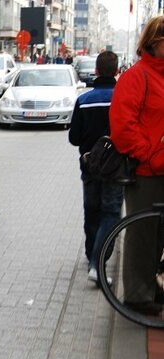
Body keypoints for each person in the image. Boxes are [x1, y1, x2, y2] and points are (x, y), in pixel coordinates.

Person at [109, 16, 164, 315]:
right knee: (144, 233)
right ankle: (138, 295)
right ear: (155, 43)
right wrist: (150, 155)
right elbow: (122, 128)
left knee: (159, 235)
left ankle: (152, 285)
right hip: (146, 172)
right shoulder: (137, 76)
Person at [69, 51, 122, 287]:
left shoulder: (84, 100)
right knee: (110, 212)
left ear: (97, 71)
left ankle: (92, 255)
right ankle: (98, 263)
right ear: (117, 71)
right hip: (116, 167)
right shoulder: (123, 98)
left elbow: (74, 137)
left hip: (89, 164)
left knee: (91, 209)